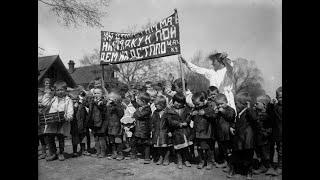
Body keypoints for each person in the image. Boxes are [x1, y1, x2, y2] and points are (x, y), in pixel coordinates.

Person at [41, 80, 74, 161]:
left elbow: (70, 111)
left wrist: (68, 116)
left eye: (62, 90)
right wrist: (48, 94)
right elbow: (44, 103)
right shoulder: (52, 99)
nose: (60, 92)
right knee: (50, 137)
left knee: (61, 138)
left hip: (62, 122)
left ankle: (61, 153)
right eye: (58, 90)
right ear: (55, 91)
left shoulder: (68, 100)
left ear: (65, 90)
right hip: (51, 122)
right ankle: (53, 153)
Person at [228, 92, 257, 179]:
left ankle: (249, 171)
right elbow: (236, 123)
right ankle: (234, 169)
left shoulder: (249, 112)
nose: (235, 105)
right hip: (239, 137)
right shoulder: (239, 113)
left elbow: (254, 118)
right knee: (236, 154)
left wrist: (249, 108)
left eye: (236, 104)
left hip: (247, 138)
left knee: (248, 155)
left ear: (243, 104)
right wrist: (232, 127)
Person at [190, 92, 216, 170]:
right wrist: (192, 115)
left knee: (208, 148)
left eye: (198, 104)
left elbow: (214, 117)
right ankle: (201, 161)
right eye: (195, 104)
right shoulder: (195, 108)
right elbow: (193, 119)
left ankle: (209, 162)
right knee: (199, 148)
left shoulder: (209, 108)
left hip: (207, 132)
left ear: (204, 100)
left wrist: (205, 113)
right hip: (198, 132)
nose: (196, 106)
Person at [166, 92, 193, 169]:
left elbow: (188, 117)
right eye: (176, 102)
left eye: (180, 102)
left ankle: (186, 160)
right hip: (176, 132)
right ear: (173, 101)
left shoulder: (186, 109)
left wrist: (186, 122)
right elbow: (170, 121)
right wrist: (179, 124)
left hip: (185, 131)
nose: (178, 104)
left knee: (185, 147)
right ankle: (179, 160)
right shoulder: (170, 111)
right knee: (178, 148)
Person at [213, 93, 236, 172]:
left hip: (228, 135)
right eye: (218, 104)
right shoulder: (218, 111)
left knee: (229, 151)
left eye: (222, 104)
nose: (220, 106)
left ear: (226, 101)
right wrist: (215, 113)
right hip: (220, 134)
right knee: (223, 150)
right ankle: (225, 162)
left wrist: (223, 112)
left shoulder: (230, 109)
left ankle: (230, 165)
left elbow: (231, 117)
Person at [252, 95, 272, 175]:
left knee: (264, 152)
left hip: (264, 138)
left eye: (257, 103)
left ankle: (264, 166)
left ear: (264, 105)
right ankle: (262, 165)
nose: (255, 105)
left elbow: (268, 126)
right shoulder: (258, 113)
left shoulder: (265, 115)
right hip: (258, 137)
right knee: (259, 151)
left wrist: (265, 134)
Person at [131, 92, 152, 164]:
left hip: (144, 129)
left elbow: (139, 115)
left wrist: (134, 113)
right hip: (137, 129)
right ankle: (133, 154)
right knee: (134, 141)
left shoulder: (147, 109)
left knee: (146, 143)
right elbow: (134, 104)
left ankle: (147, 157)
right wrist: (133, 97)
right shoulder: (140, 107)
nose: (137, 102)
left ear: (143, 102)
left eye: (138, 100)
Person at [151, 95, 172, 166]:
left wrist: (170, 131)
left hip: (165, 131)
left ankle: (166, 158)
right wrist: (152, 130)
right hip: (157, 132)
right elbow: (153, 122)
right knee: (159, 146)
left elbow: (170, 123)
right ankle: (161, 157)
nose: (156, 106)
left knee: (166, 146)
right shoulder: (155, 112)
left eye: (158, 105)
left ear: (162, 104)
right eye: (155, 105)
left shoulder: (167, 112)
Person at [266, 87, 282, 176]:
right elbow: (271, 116)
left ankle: (280, 167)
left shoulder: (278, 108)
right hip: (278, 133)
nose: (280, 99)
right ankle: (279, 166)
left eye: (281, 97)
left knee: (280, 151)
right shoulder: (276, 106)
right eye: (278, 97)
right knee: (279, 149)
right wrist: (271, 106)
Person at [87, 88, 108, 158]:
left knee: (101, 138)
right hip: (94, 122)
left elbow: (104, 111)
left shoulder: (104, 101)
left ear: (102, 94)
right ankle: (98, 151)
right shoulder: (92, 101)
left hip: (101, 123)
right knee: (96, 138)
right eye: (95, 93)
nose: (96, 95)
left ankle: (103, 152)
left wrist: (98, 103)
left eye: (98, 93)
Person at [106, 90, 125, 160]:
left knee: (118, 140)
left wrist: (115, 105)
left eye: (112, 99)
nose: (110, 100)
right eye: (109, 99)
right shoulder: (108, 106)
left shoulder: (119, 106)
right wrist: (107, 106)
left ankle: (120, 153)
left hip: (117, 125)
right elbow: (106, 115)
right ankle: (114, 153)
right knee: (112, 141)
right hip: (110, 126)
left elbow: (121, 114)